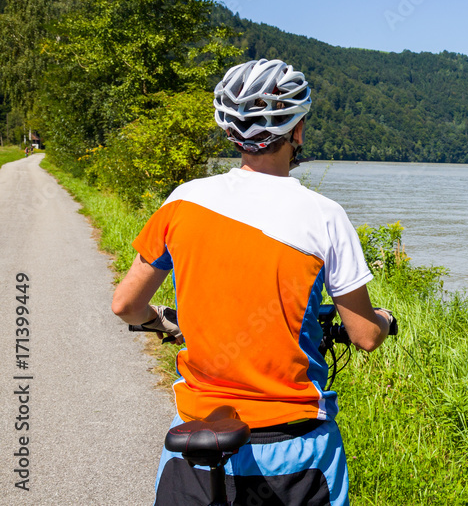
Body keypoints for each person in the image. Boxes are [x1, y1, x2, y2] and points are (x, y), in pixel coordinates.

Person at [112, 58, 394, 505]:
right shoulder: (324, 216)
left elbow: (126, 305)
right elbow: (364, 336)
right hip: (295, 450)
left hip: (196, 441)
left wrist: (164, 322)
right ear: (298, 131)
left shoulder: (183, 201)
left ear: (230, 131)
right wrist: (382, 319)